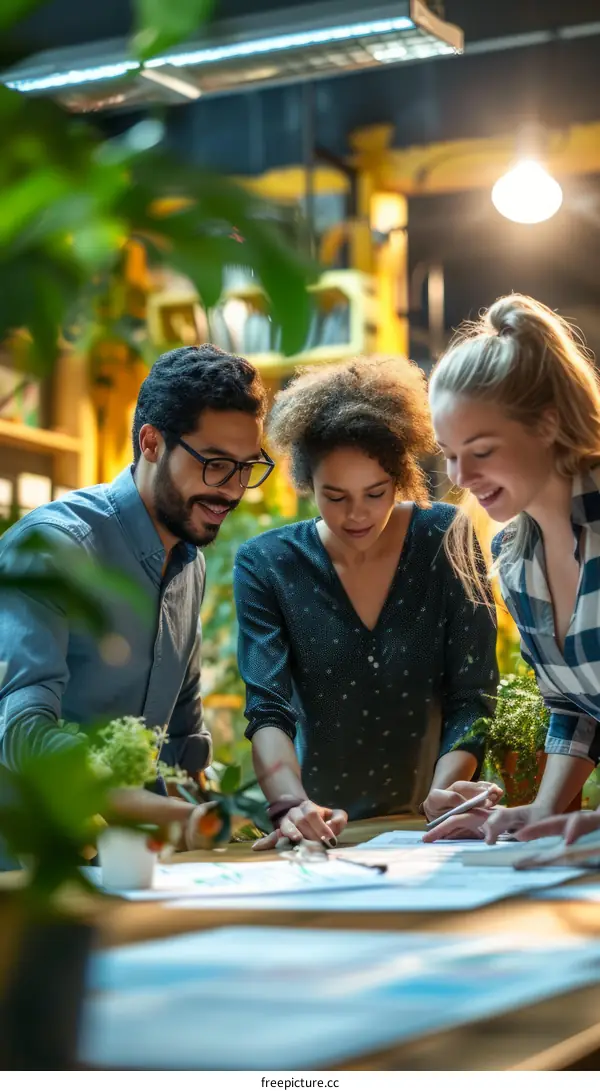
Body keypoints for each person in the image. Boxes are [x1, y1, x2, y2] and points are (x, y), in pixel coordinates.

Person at [0, 343, 274, 853]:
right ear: (150, 443)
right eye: (216, 465)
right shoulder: (57, 549)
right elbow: (22, 734)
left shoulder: (187, 557)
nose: (233, 491)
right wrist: (174, 818)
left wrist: (245, 812)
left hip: (127, 867)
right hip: (27, 868)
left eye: (246, 468)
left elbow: (181, 740)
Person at [233, 355, 500, 850]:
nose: (356, 515)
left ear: (400, 477)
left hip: (434, 831)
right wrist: (291, 806)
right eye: (335, 497)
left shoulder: (448, 537)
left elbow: (474, 694)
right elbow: (267, 710)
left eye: (375, 493)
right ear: (306, 484)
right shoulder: (267, 564)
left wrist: (446, 795)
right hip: (320, 835)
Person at [427, 293, 600, 845]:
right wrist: (544, 810)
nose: (461, 475)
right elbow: (572, 707)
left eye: (481, 449)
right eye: (449, 453)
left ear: (546, 423)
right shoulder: (514, 562)